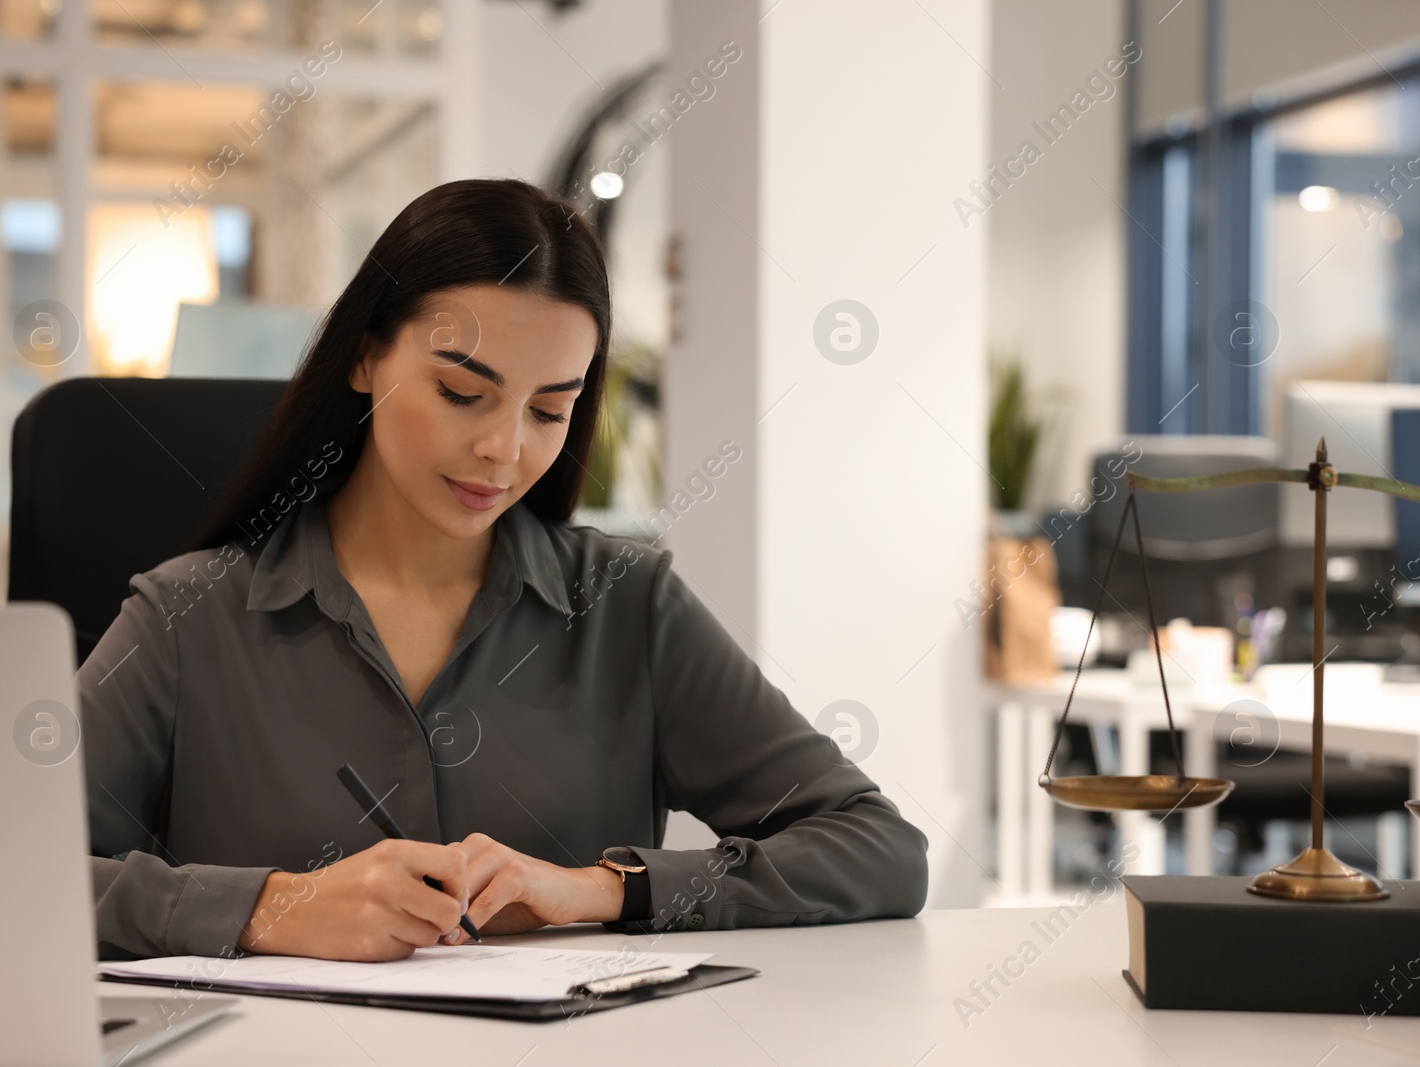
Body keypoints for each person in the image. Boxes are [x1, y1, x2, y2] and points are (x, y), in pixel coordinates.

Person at [81, 178, 928, 963]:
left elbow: (877, 848)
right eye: (461, 392)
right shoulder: (186, 618)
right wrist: (270, 906)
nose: (504, 449)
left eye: (550, 408)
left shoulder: (627, 607)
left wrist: (598, 889)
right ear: (366, 355)